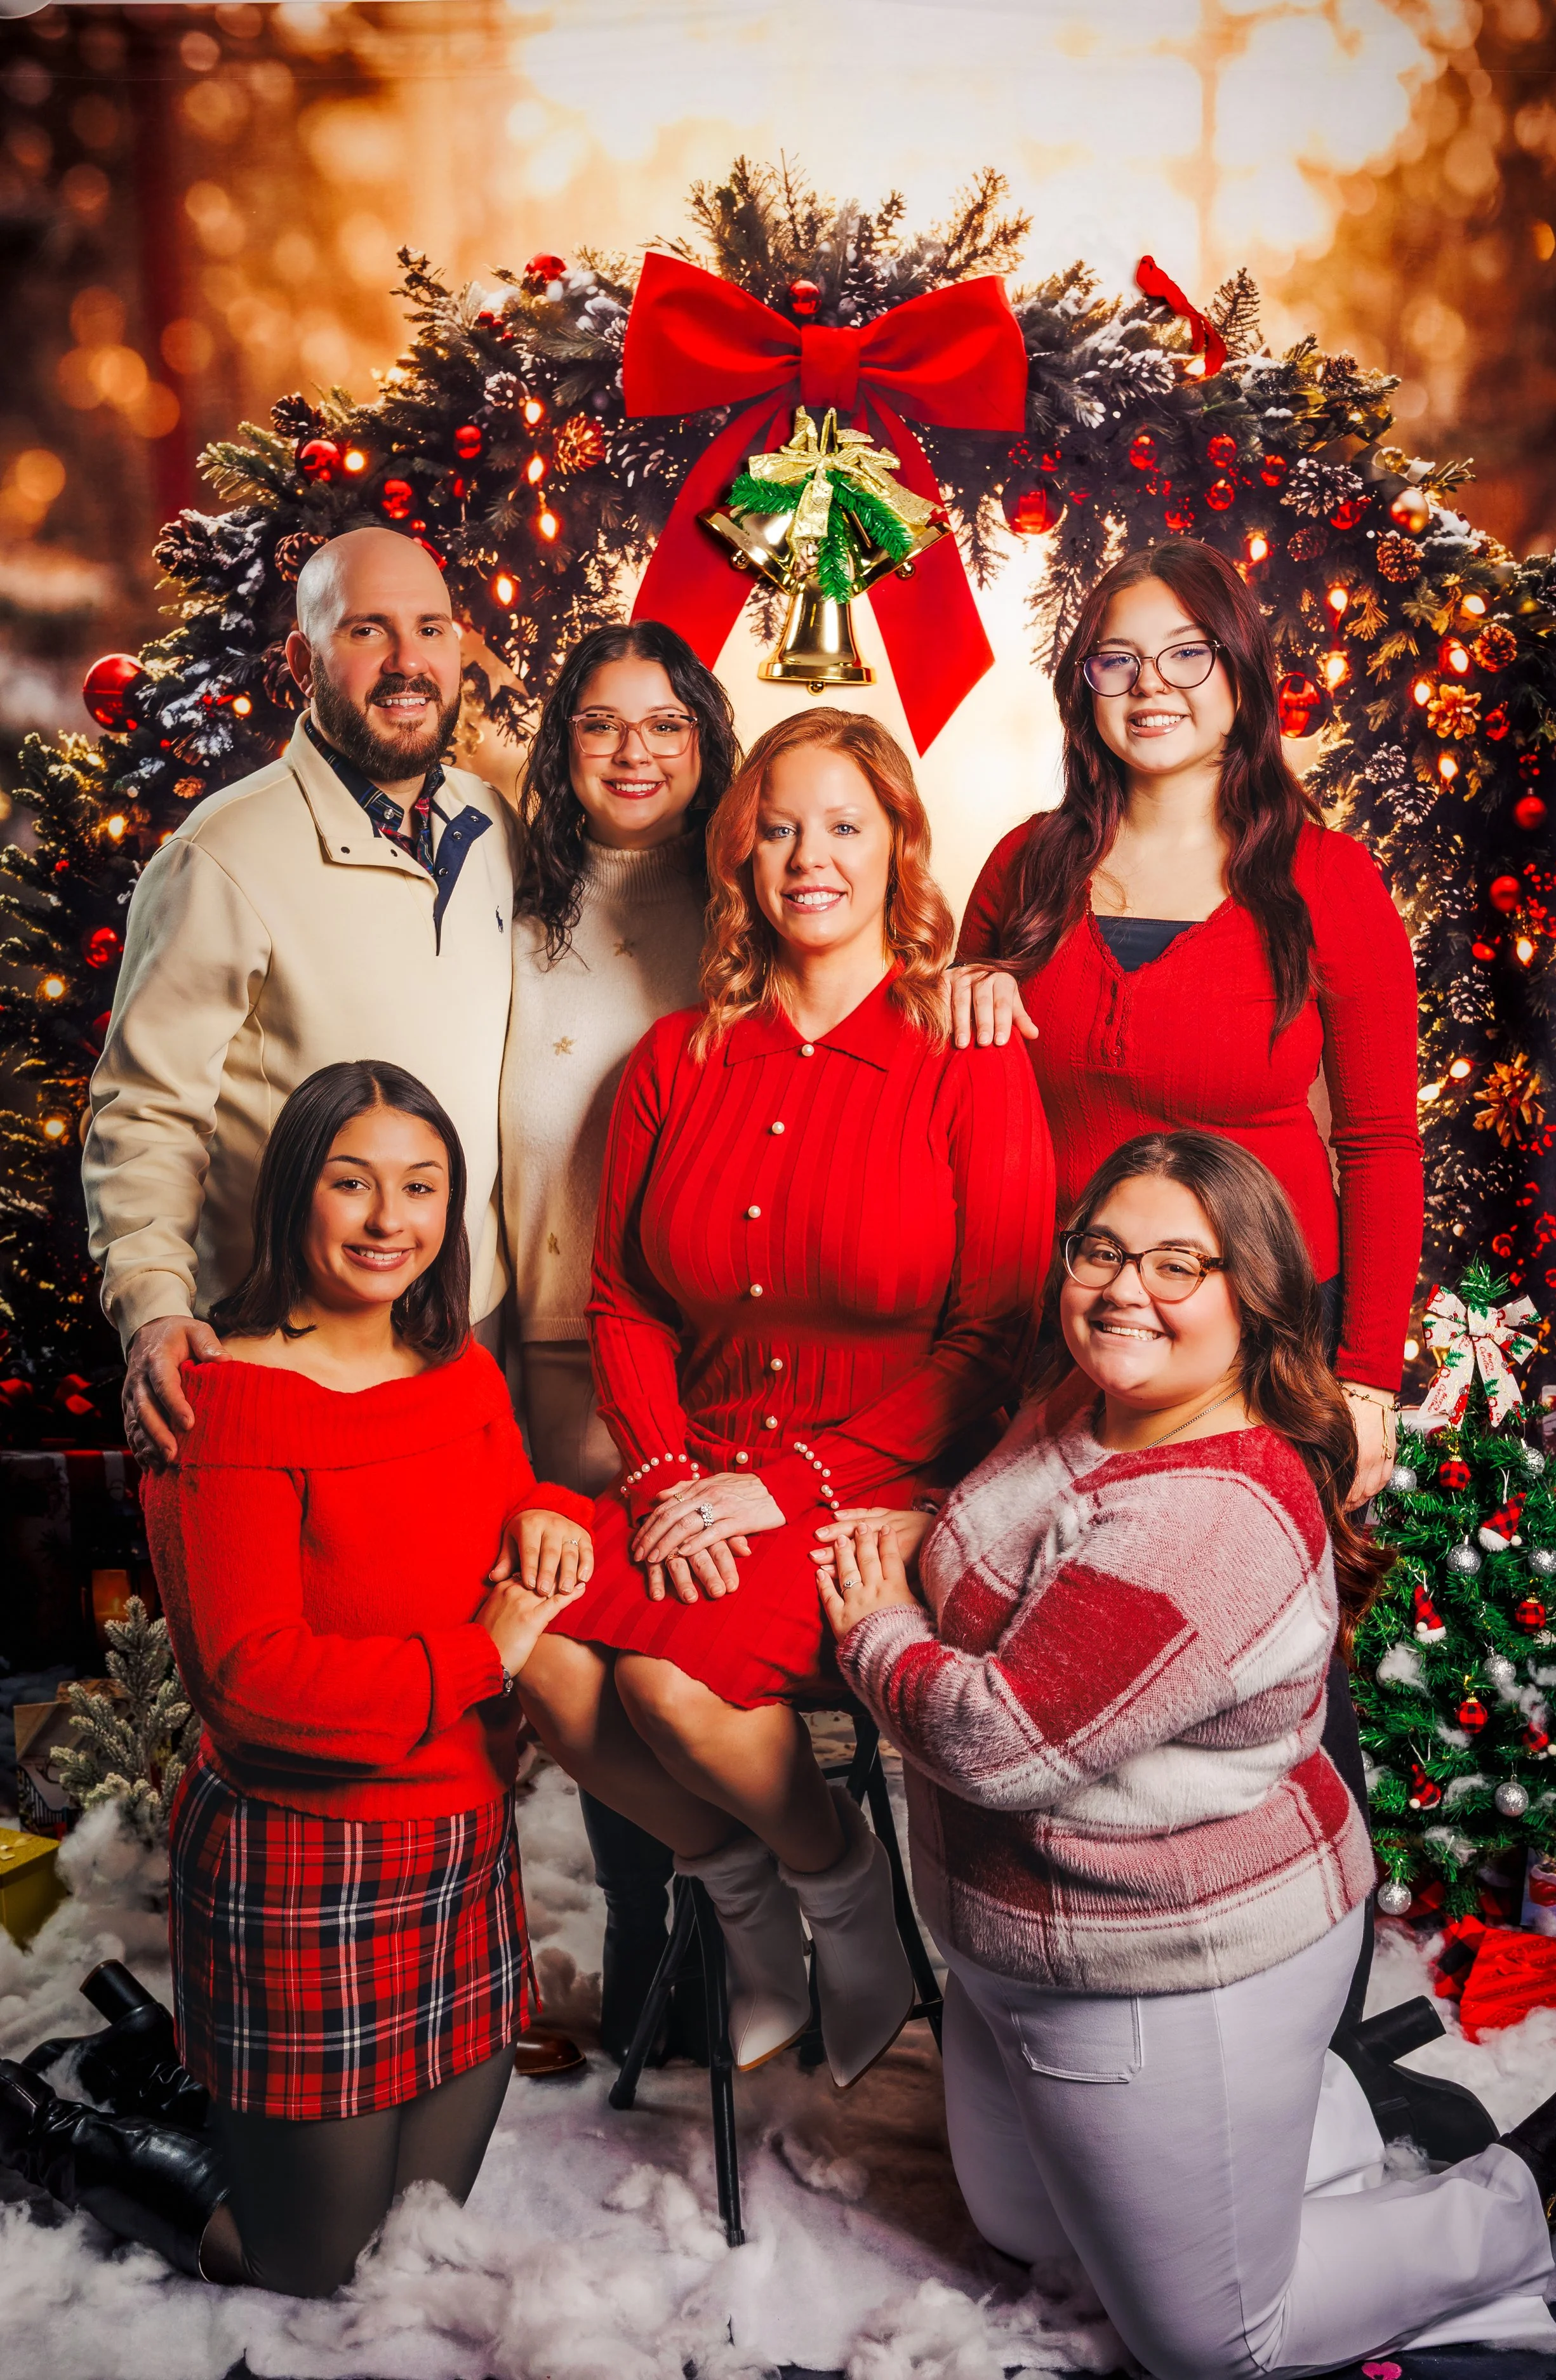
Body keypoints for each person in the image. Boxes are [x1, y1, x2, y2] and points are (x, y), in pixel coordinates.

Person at [818, 1130, 1556, 2380]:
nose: (1127, 1290)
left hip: (1162, 1963)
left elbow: (994, 1742)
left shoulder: (1207, 1514)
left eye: (1181, 1265)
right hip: (1010, 1943)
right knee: (1022, 2231)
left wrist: (873, 1625)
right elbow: (1000, 1550)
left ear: (1254, 1300)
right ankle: (1291, 2131)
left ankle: (1501, 2208)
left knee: (1212, 2340)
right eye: (1102, 1252)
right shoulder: (1085, 1399)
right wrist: (913, 1534)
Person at [514, 707, 1056, 2090]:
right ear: (738, 857)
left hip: (878, 1496)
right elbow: (626, 1302)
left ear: (895, 851)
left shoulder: (963, 1053)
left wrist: (785, 1488)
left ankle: (844, 1887)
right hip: (692, 1475)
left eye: (843, 826)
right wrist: (655, 1484)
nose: (806, 855)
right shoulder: (679, 1062)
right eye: (774, 828)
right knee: (538, 1654)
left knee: (669, 1685)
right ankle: (745, 1902)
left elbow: (991, 1338)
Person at [1, 1062, 592, 2294]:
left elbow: (502, 1494)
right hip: (306, 1858)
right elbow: (252, 1685)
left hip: (461, 1840)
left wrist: (544, 1514)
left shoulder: (459, 1367)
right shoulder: (223, 1403)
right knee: (314, 2264)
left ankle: (158, 2064)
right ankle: (54, 2135)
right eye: (353, 1183)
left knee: (416, 2228)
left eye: (421, 1186)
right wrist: (486, 1651)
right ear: (293, 1197)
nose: (391, 1221)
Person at [950, 538, 1421, 1511]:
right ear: (1086, 688)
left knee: (1236, 1632)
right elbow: (959, 1120)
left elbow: (1380, 1143)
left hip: (1265, 1336)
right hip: (1063, 1323)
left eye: (1188, 653)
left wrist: (1370, 1376)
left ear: (1242, 674)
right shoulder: (1022, 872)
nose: (1150, 685)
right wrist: (954, 996)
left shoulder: (1331, 881)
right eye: (1116, 660)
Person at [84, 526, 519, 1472]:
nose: (409, 662)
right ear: (300, 661)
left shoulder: (494, 827)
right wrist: (154, 1305)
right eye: (369, 630)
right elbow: (147, 1106)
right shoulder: (223, 856)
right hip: (290, 1358)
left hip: (467, 1345)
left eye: (432, 629)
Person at [499, 621, 738, 2061]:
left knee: (687, 1646)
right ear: (561, 748)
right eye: (600, 725)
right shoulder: (512, 909)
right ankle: (645, 1920)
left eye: (663, 724)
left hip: (699, 1346)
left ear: (705, 742)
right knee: (586, 1633)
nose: (633, 752)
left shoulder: (747, 893)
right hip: (543, 1339)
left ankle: (713, 1932)